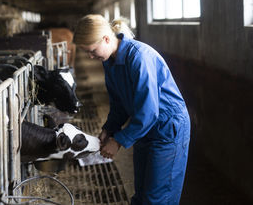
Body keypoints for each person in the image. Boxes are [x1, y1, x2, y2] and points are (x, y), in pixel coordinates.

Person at [73, 14, 190, 205]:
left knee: (157, 198)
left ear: (106, 39)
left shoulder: (139, 57)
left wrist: (118, 141)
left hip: (167, 126)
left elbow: (149, 110)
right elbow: (119, 103)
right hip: (143, 126)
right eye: (87, 52)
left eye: (92, 50)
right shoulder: (110, 62)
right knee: (141, 194)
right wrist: (109, 129)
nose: (90, 56)